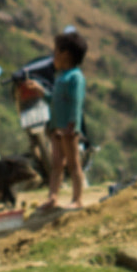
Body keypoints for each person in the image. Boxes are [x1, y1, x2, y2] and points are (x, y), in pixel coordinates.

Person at [39, 27, 88, 211]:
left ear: (65, 54)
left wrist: (72, 126)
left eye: (56, 51)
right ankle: (53, 197)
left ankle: (78, 199)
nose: (53, 55)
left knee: (73, 164)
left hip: (68, 128)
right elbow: (54, 100)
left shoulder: (75, 77)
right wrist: (41, 92)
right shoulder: (60, 77)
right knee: (57, 163)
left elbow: (76, 103)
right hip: (57, 128)